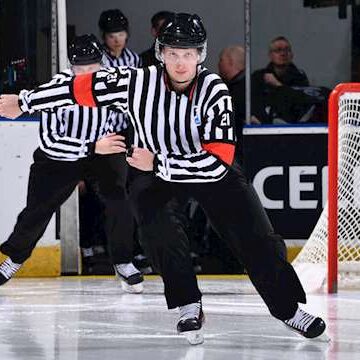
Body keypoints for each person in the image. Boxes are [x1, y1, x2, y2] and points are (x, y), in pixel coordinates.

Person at [0, 14, 326, 345]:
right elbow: (79, 88)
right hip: (152, 173)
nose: (180, 62)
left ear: (200, 54)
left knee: (256, 235)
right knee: (158, 230)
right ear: (160, 52)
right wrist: (24, 101)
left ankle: (288, 309)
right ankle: (187, 304)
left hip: (195, 168)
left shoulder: (215, 91)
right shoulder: (136, 82)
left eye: (188, 53)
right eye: (173, 52)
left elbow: (217, 161)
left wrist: (160, 162)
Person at [0, 34, 144, 293]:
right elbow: (50, 141)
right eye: (81, 69)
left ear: (102, 64)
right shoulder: (57, 88)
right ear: (71, 66)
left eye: (92, 68)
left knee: (119, 198)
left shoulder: (113, 81)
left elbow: (134, 109)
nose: (87, 75)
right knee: (39, 209)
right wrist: (90, 147)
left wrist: (127, 139)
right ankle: (15, 258)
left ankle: (123, 260)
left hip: (102, 150)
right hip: (60, 157)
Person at [252, 36, 310, 124]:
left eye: (287, 50)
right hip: (264, 126)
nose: (283, 54)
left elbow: (302, 101)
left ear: (292, 55)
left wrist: (279, 85)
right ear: (270, 55)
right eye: (278, 50)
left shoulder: (299, 77)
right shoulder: (259, 77)